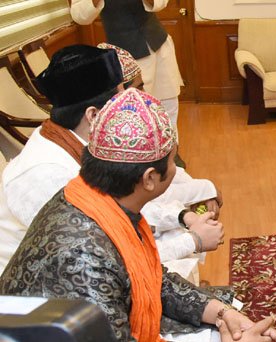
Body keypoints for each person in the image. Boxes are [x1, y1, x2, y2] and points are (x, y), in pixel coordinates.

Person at [0, 88, 276, 342]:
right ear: (149, 178)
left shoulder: (97, 198)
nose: (175, 169)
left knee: (222, 318)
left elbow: (149, 276)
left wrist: (222, 313)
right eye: (173, 162)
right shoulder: (84, 254)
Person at [0, 45, 220, 280]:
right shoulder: (45, 174)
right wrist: (193, 240)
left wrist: (182, 216)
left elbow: (118, 204)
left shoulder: (77, 139)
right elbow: (108, 257)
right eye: (121, 104)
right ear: (93, 115)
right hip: (39, 294)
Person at [70, 0, 183, 130]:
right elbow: (80, 16)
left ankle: (171, 148)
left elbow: (161, 3)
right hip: (124, 58)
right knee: (133, 114)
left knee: (167, 107)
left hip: (158, 45)